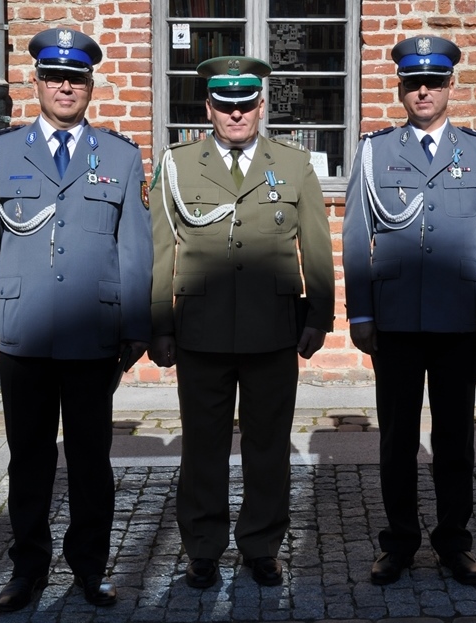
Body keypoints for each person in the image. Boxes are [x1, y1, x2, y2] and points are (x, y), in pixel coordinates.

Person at [0, 27, 153, 611]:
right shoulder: (0, 152)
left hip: (94, 335)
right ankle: (27, 570)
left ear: (91, 85)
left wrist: (134, 325)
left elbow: (135, 248)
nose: (65, 87)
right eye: (54, 76)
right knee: (29, 462)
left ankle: (90, 569)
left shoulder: (119, 156)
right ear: (38, 82)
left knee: (92, 464)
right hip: (22, 329)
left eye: (76, 77)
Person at [148, 55, 335, 588]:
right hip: (201, 331)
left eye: (245, 104)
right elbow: (163, 250)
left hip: (273, 328)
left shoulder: (294, 165)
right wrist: (160, 324)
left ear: (260, 105)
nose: (235, 115)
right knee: (202, 445)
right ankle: (203, 548)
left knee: (268, 447)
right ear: (208, 106)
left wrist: (318, 317)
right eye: (224, 105)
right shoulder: (179, 164)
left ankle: (261, 546)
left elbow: (316, 247)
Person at [342, 36, 476, 586]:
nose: (423, 92)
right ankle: (399, 542)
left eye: (433, 82)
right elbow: (355, 236)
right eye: (414, 83)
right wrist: (361, 313)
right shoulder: (374, 151)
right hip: (395, 321)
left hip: (459, 318)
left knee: (456, 439)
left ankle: (454, 541)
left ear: (449, 87)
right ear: (401, 88)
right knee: (396, 439)